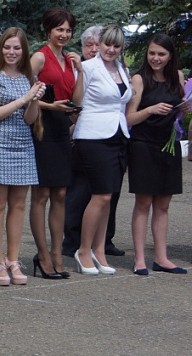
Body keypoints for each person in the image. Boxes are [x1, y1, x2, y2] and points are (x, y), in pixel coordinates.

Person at [0, 28, 45, 286]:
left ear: (23, 50)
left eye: (16, 48)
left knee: (19, 205)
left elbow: (30, 119)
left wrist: (35, 100)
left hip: (23, 143)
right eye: (7, 47)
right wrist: (25, 98)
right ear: (1, 48)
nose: (11, 52)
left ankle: (13, 260)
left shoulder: (28, 76)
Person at [126, 34, 189, 275]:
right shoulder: (139, 79)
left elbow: (178, 112)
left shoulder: (178, 78)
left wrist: (184, 107)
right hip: (144, 145)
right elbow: (129, 118)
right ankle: (140, 259)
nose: (155, 58)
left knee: (163, 204)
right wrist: (150, 109)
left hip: (168, 145)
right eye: (152, 53)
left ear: (170, 56)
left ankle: (161, 258)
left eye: (161, 54)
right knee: (143, 203)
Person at [72, 24, 128, 276]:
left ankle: (99, 249)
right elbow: (78, 101)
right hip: (93, 136)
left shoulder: (120, 69)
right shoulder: (88, 67)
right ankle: (83, 249)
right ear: (99, 43)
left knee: (109, 197)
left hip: (118, 135)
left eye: (117, 46)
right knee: (101, 196)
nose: (111, 49)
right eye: (107, 44)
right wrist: (80, 73)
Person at [30, 8, 79, 280]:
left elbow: (76, 97)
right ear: (48, 30)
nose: (64, 34)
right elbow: (25, 94)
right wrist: (52, 106)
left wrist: (80, 70)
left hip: (63, 127)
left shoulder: (69, 60)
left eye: (68, 30)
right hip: (43, 126)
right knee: (42, 194)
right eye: (59, 29)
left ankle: (58, 253)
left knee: (60, 194)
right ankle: (43, 255)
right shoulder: (39, 57)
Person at [62, 25, 101, 256]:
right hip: (76, 134)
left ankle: (103, 241)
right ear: (83, 47)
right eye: (89, 45)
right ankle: (71, 241)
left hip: (103, 136)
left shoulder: (111, 69)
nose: (94, 49)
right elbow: (70, 101)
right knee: (78, 191)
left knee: (104, 192)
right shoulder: (77, 69)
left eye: (98, 45)